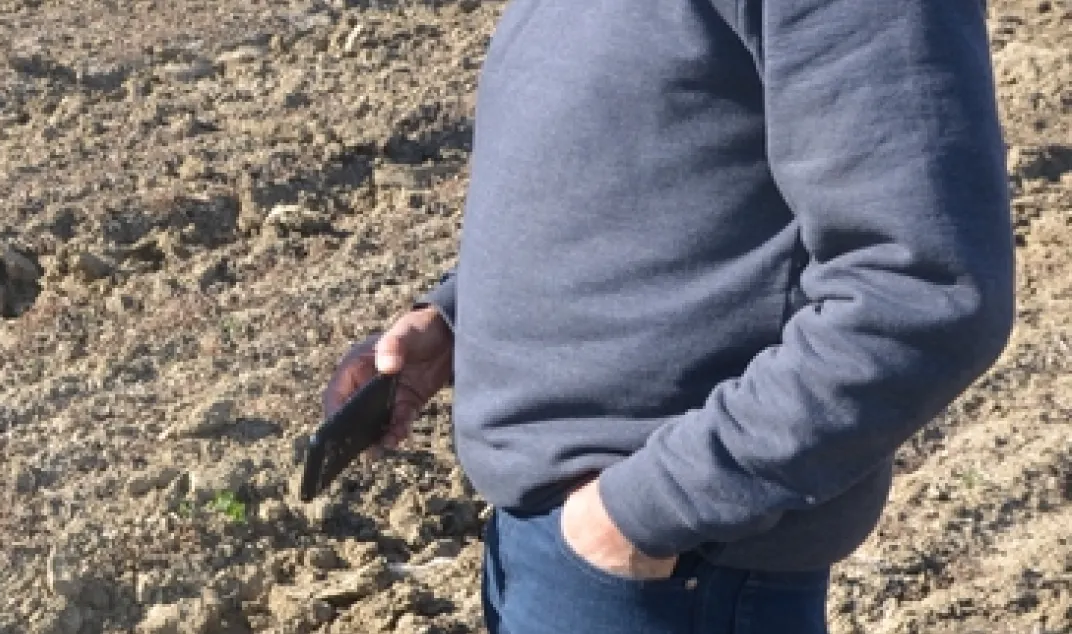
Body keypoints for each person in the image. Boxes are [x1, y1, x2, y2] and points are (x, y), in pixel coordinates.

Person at [324, 1, 1013, 632]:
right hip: (564, 549)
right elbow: (634, 165)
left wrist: (639, 513)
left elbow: (921, 289)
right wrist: (456, 319)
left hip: (674, 566)